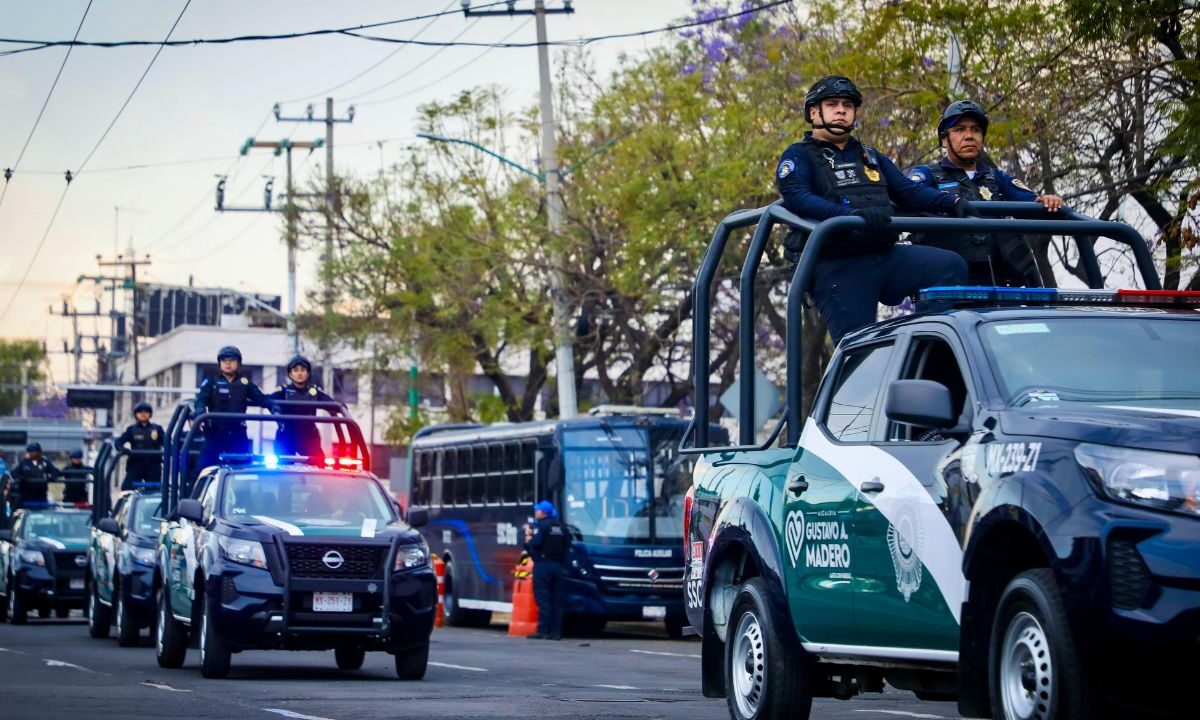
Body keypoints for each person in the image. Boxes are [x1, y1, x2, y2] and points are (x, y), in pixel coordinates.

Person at [776, 75, 973, 343]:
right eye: (832, 104)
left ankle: (926, 352)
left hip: (884, 254)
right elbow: (797, 197)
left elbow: (907, 191)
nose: (841, 110)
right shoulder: (798, 155)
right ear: (814, 112)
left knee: (949, 266)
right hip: (836, 265)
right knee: (859, 351)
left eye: (847, 105)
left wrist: (951, 201)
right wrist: (848, 218)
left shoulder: (869, 155)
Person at [906, 100, 1066, 286]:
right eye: (959, 129)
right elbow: (908, 195)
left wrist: (1048, 201)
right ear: (944, 139)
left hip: (998, 287)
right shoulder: (926, 175)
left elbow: (1032, 205)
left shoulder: (997, 178)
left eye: (975, 130)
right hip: (945, 287)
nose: (969, 136)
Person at [194, 345, 277, 472]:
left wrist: (274, 408)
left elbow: (261, 398)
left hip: (237, 433)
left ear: (238, 363)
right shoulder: (211, 382)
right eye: (224, 361)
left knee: (241, 470)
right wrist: (200, 414)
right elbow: (200, 400)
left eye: (232, 360)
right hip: (215, 433)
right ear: (220, 363)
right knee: (203, 469)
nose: (228, 364)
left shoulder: (245, 383)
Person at [269, 355, 335, 462]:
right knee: (281, 469)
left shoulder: (313, 392)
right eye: (295, 370)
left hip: (308, 436)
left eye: (303, 370)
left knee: (318, 466)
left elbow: (331, 403)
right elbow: (266, 400)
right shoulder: (283, 392)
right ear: (290, 374)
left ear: (308, 373)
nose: (299, 373)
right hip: (287, 435)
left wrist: (338, 407)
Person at [523, 500, 571, 641]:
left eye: (538, 510)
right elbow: (568, 544)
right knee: (557, 599)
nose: (536, 512)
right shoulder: (561, 527)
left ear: (543, 512)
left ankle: (542, 630)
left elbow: (535, 543)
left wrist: (527, 540)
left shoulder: (541, 526)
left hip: (543, 565)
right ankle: (555, 632)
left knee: (543, 598)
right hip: (559, 566)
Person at [115, 402, 164, 490]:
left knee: (154, 490)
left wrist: (170, 450)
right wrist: (123, 449)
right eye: (140, 412)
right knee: (126, 488)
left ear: (150, 414)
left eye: (146, 412)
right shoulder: (131, 430)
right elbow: (118, 442)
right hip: (136, 463)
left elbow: (167, 442)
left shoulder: (157, 429)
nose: (143, 414)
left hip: (153, 464)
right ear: (136, 414)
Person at [7, 442, 60, 511]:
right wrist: (22, 478)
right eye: (30, 452)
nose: (31, 453)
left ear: (39, 452)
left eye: (34, 452)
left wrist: (50, 478)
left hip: (41, 492)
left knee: (41, 511)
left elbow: (55, 472)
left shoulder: (45, 462)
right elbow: (14, 473)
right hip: (27, 492)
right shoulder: (24, 463)